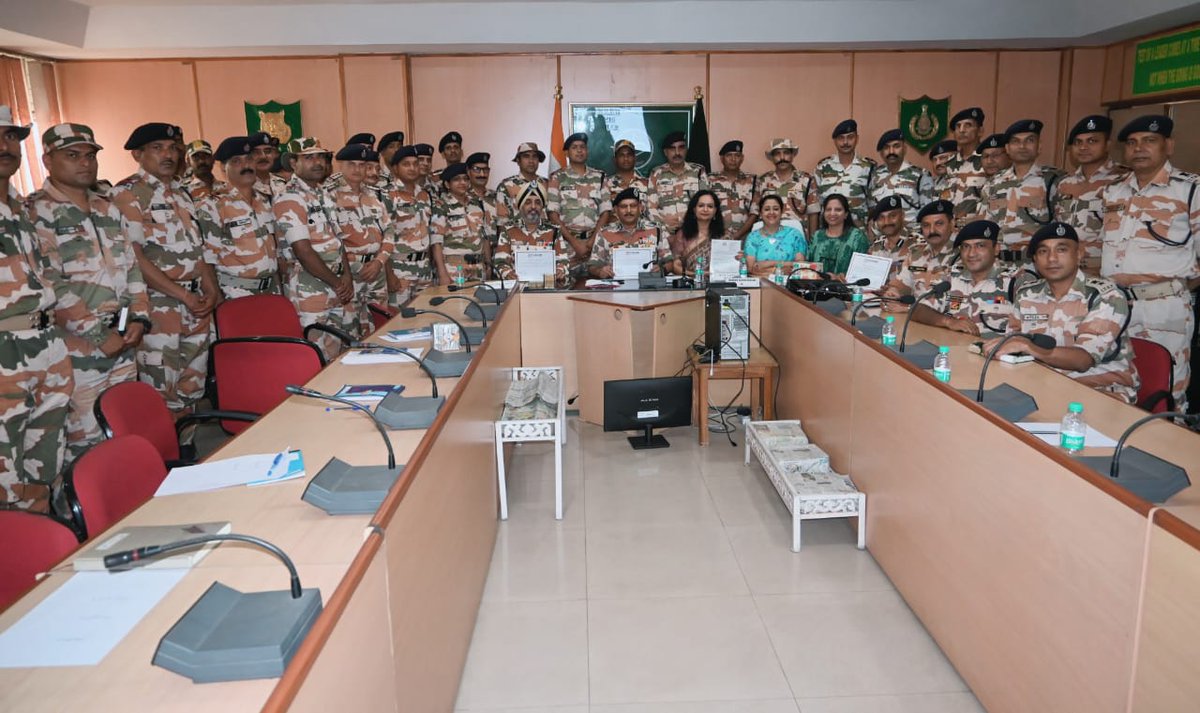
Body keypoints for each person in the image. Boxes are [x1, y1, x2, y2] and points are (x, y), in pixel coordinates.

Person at [28, 123, 149, 461]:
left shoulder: (107, 208)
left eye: (90, 155)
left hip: (123, 340)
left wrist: (139, 317)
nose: (85, 163)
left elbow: (132, 267)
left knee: (127, 428)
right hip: (77, 350)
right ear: (48, 160)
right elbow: (51, 284)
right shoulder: (37, 213)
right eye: (72, 155)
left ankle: (130, 503)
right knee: (85, 443)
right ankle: (89, 511)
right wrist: (98, 334)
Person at [111, 122, 218, 417]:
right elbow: (134, 259)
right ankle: (164, 460)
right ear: (138, 154)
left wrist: (210, 289)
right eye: (158, 148)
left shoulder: (182, 194)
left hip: (195, 306)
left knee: (191, 389)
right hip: (160, 308)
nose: (168, 155)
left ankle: (189, 454)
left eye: (173, 148)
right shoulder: (128, 195)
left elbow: (196, 250)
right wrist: (184, 296)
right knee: (160, 392)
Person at [0, 108, 74, 512]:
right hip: (5, 351)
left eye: (11, 137)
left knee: (47, 457)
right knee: (5, 472)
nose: (4, 146)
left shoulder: (20, 209)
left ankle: (47, 542)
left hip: (46, 342)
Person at [1101, 114, 1199, 412]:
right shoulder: (1114, 191)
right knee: (1115, 384)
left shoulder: (1190, 189)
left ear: (1168, 146)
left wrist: (1177, 287)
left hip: (1163, 308)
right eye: (1132, 142)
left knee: (1166, 390)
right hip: (1115, 306)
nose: (1139, 148)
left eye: (1149, 141)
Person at [986, 222, 1138, 403]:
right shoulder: (1027, 294)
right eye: (1043, 251)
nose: (1052, 258)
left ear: (1079, 254)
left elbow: (1083, 360)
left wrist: (1029, 348)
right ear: (1034, 259)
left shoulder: (1106, 297)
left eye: (1062, 249)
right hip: (1041, 385)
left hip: (1099, 392)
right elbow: (1013, 344)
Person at [273, 137, 355, 360]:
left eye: (321, 156)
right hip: (309, 289)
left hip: (336, 286)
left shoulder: (324, 195)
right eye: (308, 157)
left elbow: (338, 242)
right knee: (314, 355)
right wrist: (339, 283)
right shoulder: (289, 197)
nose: (317, 162)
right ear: (293, 163)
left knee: (337, 353)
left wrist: (347, 276)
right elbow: (303, 251)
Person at [197, 136, 281, 299]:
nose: (246, 166)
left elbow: (273, 251)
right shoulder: (212, 206)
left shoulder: (264, 201)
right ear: (223, 168)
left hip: (271, 289)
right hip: (235, 293)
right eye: (236, 161)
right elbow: (206, 261)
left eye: (249, 159)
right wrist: (218, 301)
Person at [976, 119, 1063, 271]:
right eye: (1016, 142)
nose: (1022, 146)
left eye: (1029, 140)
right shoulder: (993, 184)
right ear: (1008, 148)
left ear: (1039, 146)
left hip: (1036, 266)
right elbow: (982, 227)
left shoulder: (1054, 181)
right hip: (998, 266)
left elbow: (1063, 228)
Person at [330, 143, 395, 334]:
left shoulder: (374, 196)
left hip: (376, 271)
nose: (357, 169)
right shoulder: (330, 197)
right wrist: (347, 270)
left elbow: (389, 232)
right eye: (352, 164)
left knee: (381, 327)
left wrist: (379, 262)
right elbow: (332, 239)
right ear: (340, 166)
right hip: (349, 274)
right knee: (350, 329)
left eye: (362, 165)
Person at [908, 219, 1013, 337]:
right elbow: (917, 309)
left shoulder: (1015, 281)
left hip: (995, 352)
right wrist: (948, 321)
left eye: (980, 246)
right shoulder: (953, 278)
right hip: (957, 349)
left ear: (996, 249)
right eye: (966, 247)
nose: (971, 253)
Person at [1052, 115, 1128, 277]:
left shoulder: (1125, 181)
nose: (1084, 147)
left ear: (1107, 145)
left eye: (1092, 141)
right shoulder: (1065, 184)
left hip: (1106, 272)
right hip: (1067, 271)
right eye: (1078, 142)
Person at [547, 132, 611, 268]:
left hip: (595, 244)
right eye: (574, 147)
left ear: (587, 151)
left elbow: (606, 212)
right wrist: (575, 243)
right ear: (567, 153)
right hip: (567, 244)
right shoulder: (557, 178)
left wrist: (592, 241)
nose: (579, 150)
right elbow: (553, 215)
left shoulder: (600, 177)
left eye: (582, 147)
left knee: (599, 283)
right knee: (566, 284)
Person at [384, 145, 436, 307]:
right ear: (395, 168)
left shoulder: (425, 195)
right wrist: (389, 274)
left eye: (415, 163)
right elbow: (383, 237)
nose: (412, 168)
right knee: (398, 323)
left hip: (424, 270)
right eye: (406, 164)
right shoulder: (388, 195)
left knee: (424, 317)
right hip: (400, 271)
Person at [883, 199, 959, 308]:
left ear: (952, 224)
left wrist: (910, 309)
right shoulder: (916, 253)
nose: (932, 230)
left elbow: (957, 302)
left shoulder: (966, 254)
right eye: (926, 225)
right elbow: (902, 283)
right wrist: (893, 292)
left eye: (939, 223)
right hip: (914, 320)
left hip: (946, 321)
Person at [494, 183, 569, 286]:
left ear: (542, 207)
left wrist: (560, 271)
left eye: (538, 203)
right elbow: (500, 262)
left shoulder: (554, 230)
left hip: (547, 288)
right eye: (528, 202)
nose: (533, 206)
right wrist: (508, 274)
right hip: (517, 288)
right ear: (521, 206)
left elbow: (563, 261)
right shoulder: (508, 230)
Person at [431, 162, 491, 284]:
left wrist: (488, 264)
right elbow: (436, 243)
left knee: (479, 302)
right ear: (447, 184)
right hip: (453, 268)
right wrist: (442, 273)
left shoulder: (477, 204)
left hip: (478, 268)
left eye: (465, 179)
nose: (462, 183)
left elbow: (485, 237)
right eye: (457, 180)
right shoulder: (441, 206)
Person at [589, 187, 669, 279]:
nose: (629, 210)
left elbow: (669, 262)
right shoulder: (604, 232)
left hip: (648, 287)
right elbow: (592, 266)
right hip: (615, 286)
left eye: (633, 206)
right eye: (623, 206)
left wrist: (661, 269)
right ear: (615, 209)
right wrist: (600, 271)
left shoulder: (656, 230)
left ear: (640, 207)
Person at [814, 119, 875, 228]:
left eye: (850, 137)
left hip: (858, 233)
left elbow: (873, 206)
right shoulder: (823, 167)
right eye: (841, 138)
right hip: (829, 233)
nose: (845, 142)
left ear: (857, 139)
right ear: (835, 141)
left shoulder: (868, 167)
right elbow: (816, 204)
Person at [647, 130, 708, 235]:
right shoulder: (656, 173)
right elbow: (651, 208)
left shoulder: (698, 171)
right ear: (665, 152)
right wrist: (664, 233)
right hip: (666, 235)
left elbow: (706, 204)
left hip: (694, 234)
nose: (677, 153)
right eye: (672, 149)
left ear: (686, 149)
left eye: (681, 147)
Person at [868, 128, 933, 226]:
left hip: (910, 236)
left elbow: (928, 213)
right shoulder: (875, 175)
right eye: (886, 147)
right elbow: (872, 210)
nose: (891, 151)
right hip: (881, 236)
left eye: (896, 146)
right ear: (881, 153)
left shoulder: (920, 175)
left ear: (904, 149)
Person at [754, 138, 818, 234]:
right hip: (769, 238)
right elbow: (755, 212)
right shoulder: (762, 181)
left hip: (797, 238)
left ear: (792, 156)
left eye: (786, 153)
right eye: (777, 154)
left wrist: (813, 242)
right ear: (772, 157)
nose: (782, 157)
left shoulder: (806, 180)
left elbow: (813, 213)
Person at [942, 107, 989, 226]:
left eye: (968, 125)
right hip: (949, 232)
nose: (962, 130)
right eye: (958, 126)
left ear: (980, 131)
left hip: (976, 231)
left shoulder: (988, 161)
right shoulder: (949, 164)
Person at [741, 193, 806, 278]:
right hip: (760, 284)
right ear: (760, 213)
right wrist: (783, 267)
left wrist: (767, 264)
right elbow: (751, 268)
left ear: (782, 211)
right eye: (767, 209)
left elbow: (800, 266)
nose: (771, 212)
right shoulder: (752, 237)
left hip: (789, 285)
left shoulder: (794, 235)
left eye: (776, 209)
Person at [807, 193, 869, 277]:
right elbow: (808, 264)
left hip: (847, 287)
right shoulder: (817, 236)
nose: (832, 213)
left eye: (838, 210)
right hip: (816, 286)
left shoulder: (857, 237)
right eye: (828, 209)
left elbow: (863, 269)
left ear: (846, 214)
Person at [666, 189, 725, 277]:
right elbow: (676, 266)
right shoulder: (682, 235)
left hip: (718, 284)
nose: (705, 209)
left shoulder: (725, 235)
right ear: (694, 209)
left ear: (715, 211)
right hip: (690, 284)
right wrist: (697, 275)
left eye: (710, 206)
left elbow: (729, 265)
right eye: (701, 206)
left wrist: (738, 258)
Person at [708, 140, 757, 242]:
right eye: (729, 155)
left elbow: (754, 212)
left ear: (742, 158)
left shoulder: (753, 180)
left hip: (745, 237)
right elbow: (706, 210)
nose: (733, 159)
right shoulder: (710, 180)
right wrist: (722, 233)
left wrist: (737, 235)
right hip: (716, 236)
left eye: (737, 155)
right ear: (722, 159)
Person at [496, 142, 549, 229]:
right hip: (517, 239)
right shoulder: (506, 186)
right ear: (518, 161)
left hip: (544, 239)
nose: (531, 161)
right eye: (526, 156)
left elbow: (553, 216)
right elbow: (502, 222)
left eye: (535, 156)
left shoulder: (547, 184)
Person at [465, 151, 500, 245]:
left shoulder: (498, 198)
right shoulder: (461, 198)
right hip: (471, 255)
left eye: (485, 170)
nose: (482, 174)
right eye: (477, 169)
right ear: (468, 172)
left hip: (496, 255)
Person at [867, 194, 913, 264]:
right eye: (881, 218)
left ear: (902, 215)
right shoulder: (875, 247)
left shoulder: (918, 245)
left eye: (893, 216)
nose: (887, 222)